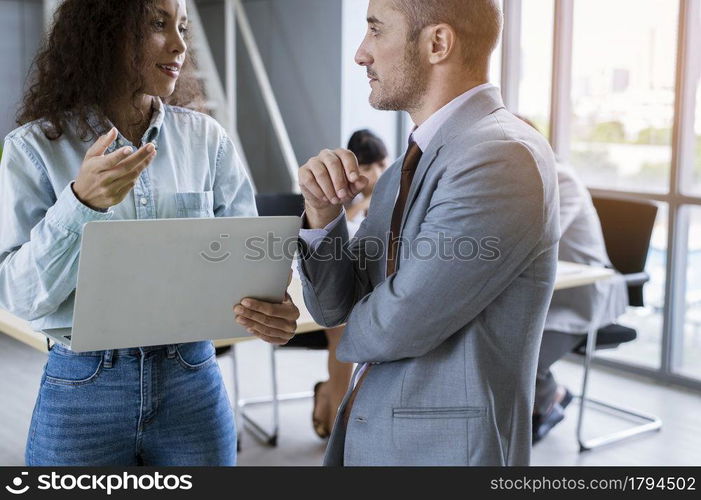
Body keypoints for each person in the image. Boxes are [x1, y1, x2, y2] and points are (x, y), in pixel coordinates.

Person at [0, 0, 299, 466]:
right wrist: (80, 205)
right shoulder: (33, 149)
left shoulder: (208, 141)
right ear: (105, 31)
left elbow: (253, 267)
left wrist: (270, 309)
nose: (180, 44)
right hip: (83, 387)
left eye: (182, 26)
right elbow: (19, 298)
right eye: (158, 24)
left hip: (193, 379)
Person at [294, 0, 560, 466]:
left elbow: (399, 322)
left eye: (376, 31)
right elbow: (335, 304)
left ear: (437, 42)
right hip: (375, 438)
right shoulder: (405, 165)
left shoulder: (504, 156)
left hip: (446, 454)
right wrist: (322, 216)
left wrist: (324, 327)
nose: (360, 53)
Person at [513, 117, 629, 443]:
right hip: (551, 290)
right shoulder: (522, 178)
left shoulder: (561, 178)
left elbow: (538, 238)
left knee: (523, 353)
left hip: (585, 294)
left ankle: (551, 396)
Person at [312, 129, 388, 439]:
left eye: (381, 164)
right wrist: (364, 202)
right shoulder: (340, 195)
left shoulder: (390, 195)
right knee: (342, 342)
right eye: (369, 167)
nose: (377, 173)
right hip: (332, 291)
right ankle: (335, 427)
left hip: (373, 288)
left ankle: (327, 398)